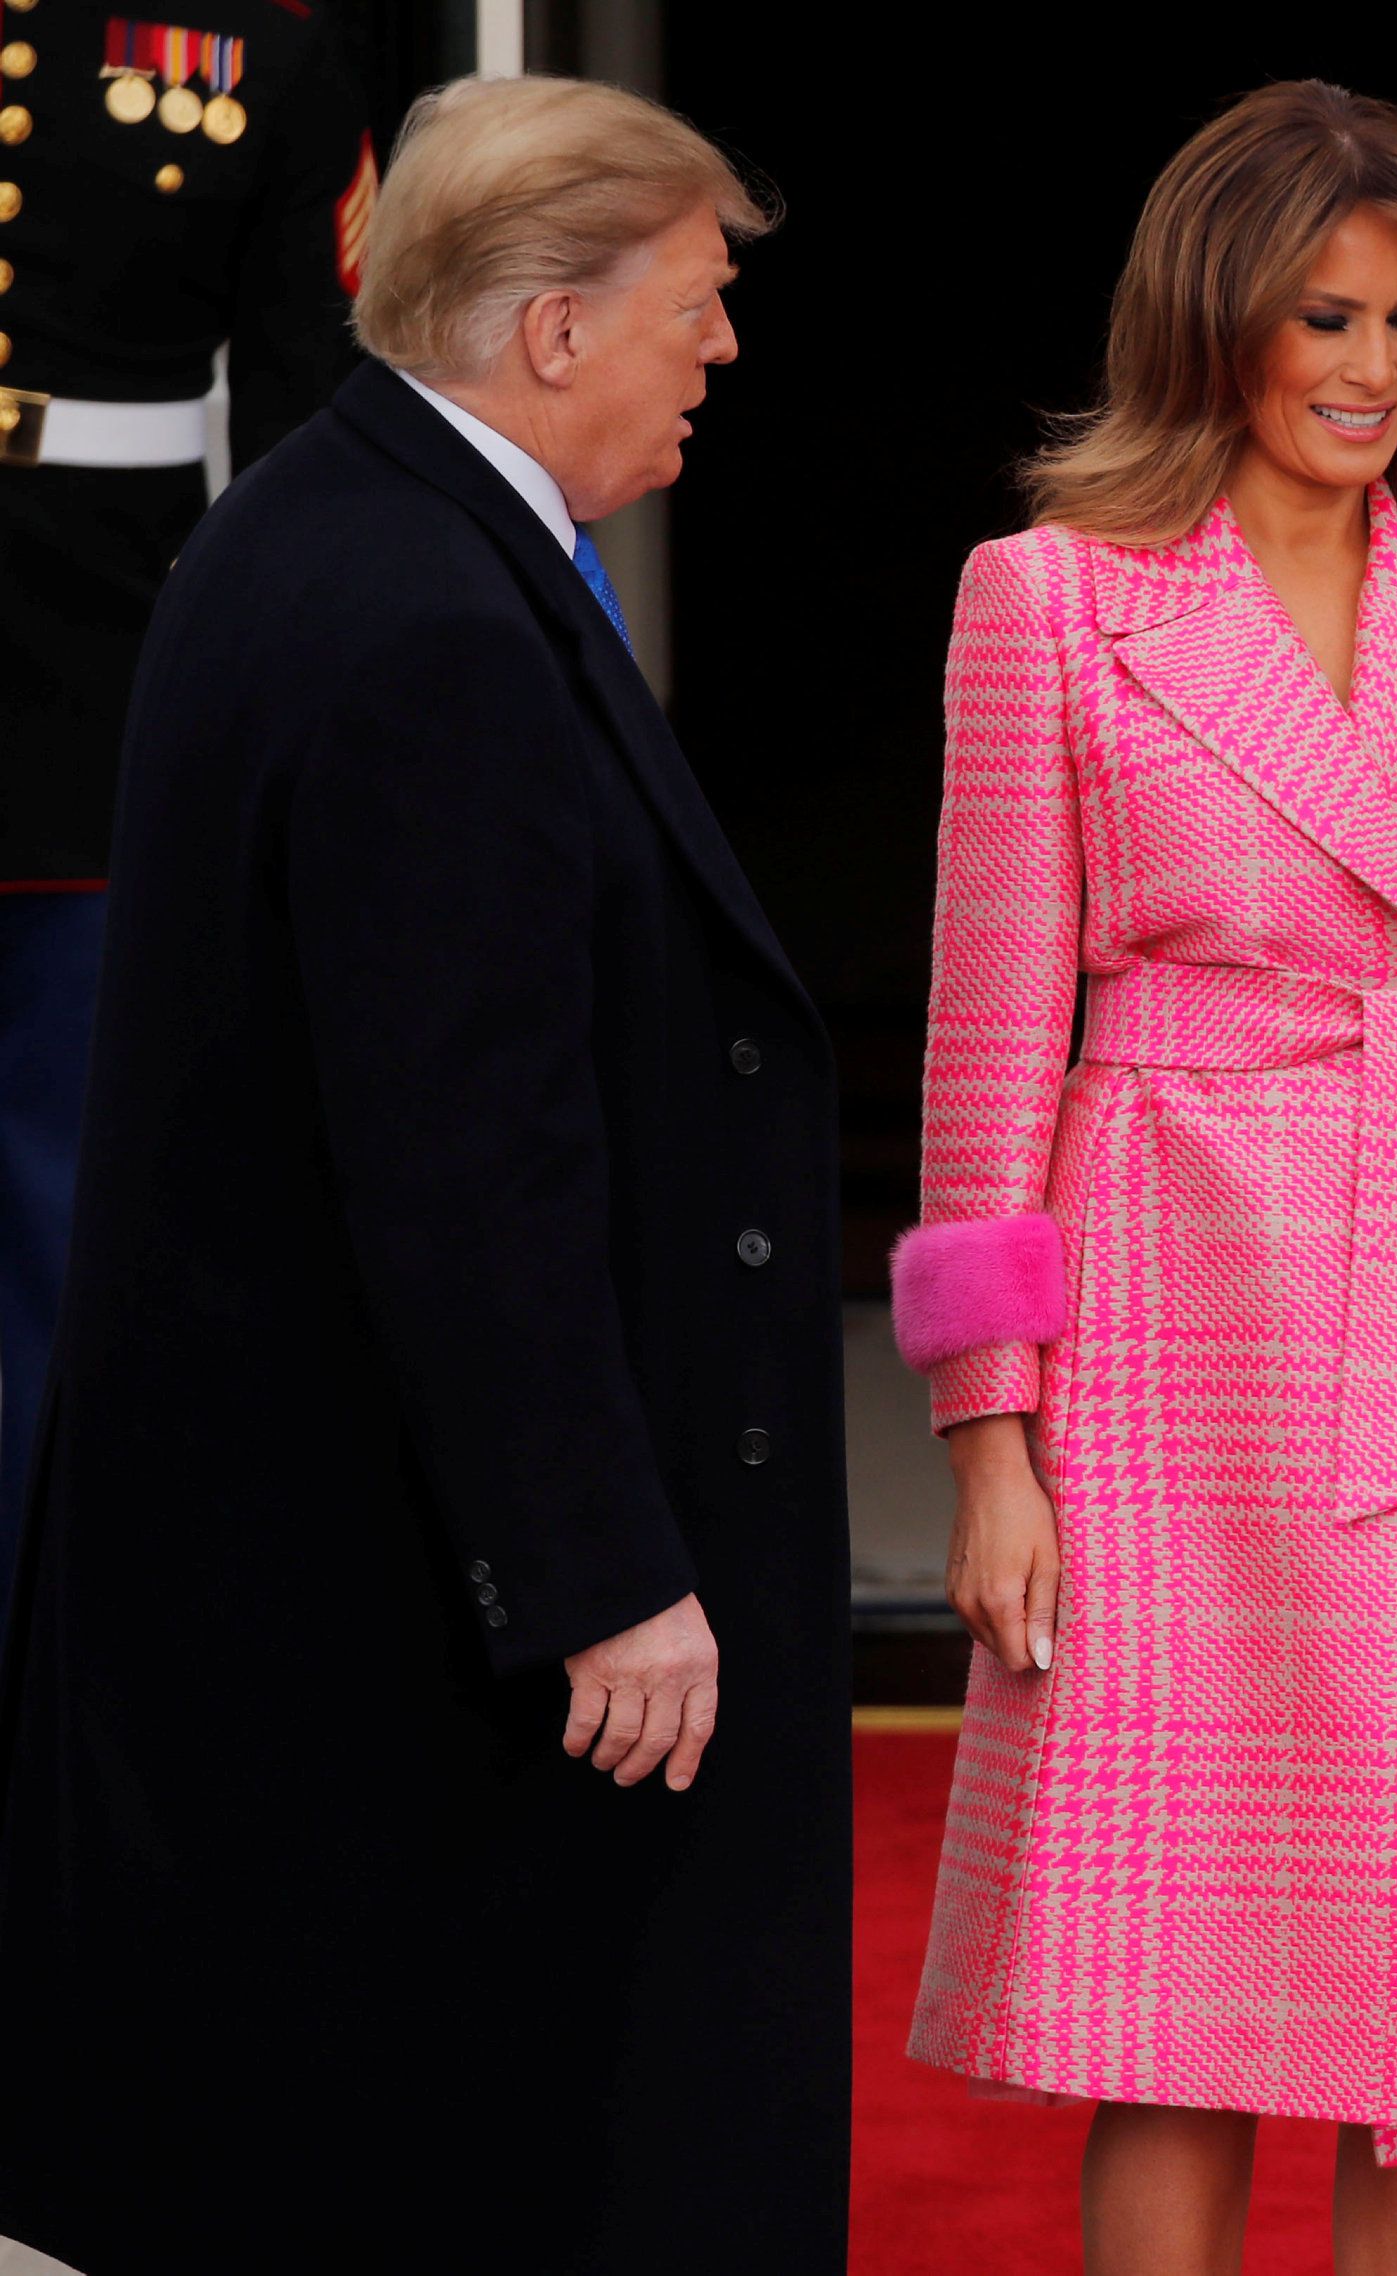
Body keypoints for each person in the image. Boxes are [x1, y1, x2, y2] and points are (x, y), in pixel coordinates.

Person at [0, 76, 849, 2274]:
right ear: (551, 332)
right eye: (698, 300)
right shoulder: (432, 623)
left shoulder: (327, 524)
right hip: (382, 1608)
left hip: (303, 1578)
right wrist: (595, 1565)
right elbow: (463, 1147)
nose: (722, 348)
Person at [893, 79, 1397, 2274]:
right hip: (1170, 1339)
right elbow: (987, 1048)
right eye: (1324, 319)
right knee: (1171, 2001)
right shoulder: (1049, 596)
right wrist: (991, 1446)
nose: (1372, 372)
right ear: (1214, 323)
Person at [0, 0, 375, 1621]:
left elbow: (309, 405)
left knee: (64, 1203)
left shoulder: (259, 44)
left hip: (100, 660)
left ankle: (47, 1648)